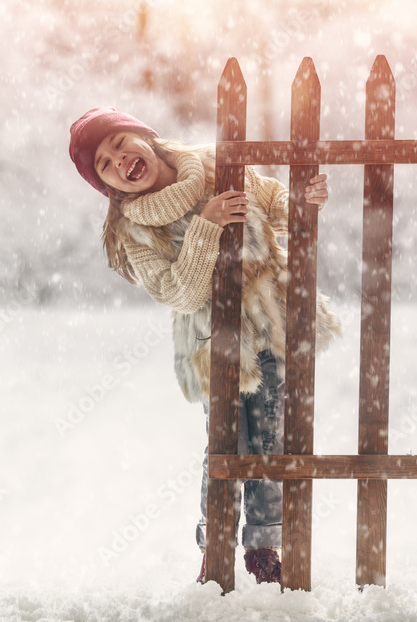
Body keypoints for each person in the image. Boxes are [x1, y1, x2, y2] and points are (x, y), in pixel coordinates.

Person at [68, 106, 341, 584]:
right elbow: (182, 292)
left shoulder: (215, 165)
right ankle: (215, 544)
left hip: (273, 322)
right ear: (109, 186)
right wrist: (207, 226)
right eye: (106, 167)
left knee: (273, 438)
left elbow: (278, 205)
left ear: (142, 136)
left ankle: (263, 545)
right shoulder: (135, 227)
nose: (118, 162)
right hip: (214, 342)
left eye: (118, 145)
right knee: (226, 443)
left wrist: (306, 198)